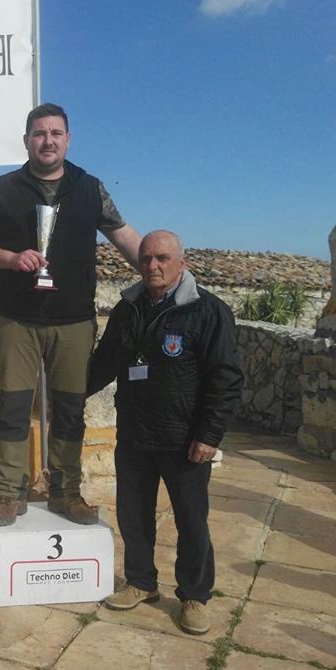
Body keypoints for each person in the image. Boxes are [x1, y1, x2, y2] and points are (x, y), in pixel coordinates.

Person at [0, 102, 142, 526]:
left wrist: (162, 271)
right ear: (27, 140)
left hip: (73, 322)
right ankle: (10, 493)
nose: (48, 141)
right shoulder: (3, 188)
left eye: (56, 133)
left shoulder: (90, 188)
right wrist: (11, 259)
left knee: (69, 411)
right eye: (40, 133)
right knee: (13, 409)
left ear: (68, 139)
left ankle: (66, 493)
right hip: (15, 319)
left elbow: (124, 236)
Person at [88, 230, 242, 635]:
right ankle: (141, 582)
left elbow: (225, 378)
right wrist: (66, 396)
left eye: (161, 258)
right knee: (133, 515)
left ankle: (195, 595)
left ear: (182, 263)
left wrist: (209, 435)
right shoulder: (128, 308)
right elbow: (105, 362)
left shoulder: (209, 311)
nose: (152, 266)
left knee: (191, 521)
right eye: (146, 259)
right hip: (134, 434)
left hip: (184, 439)